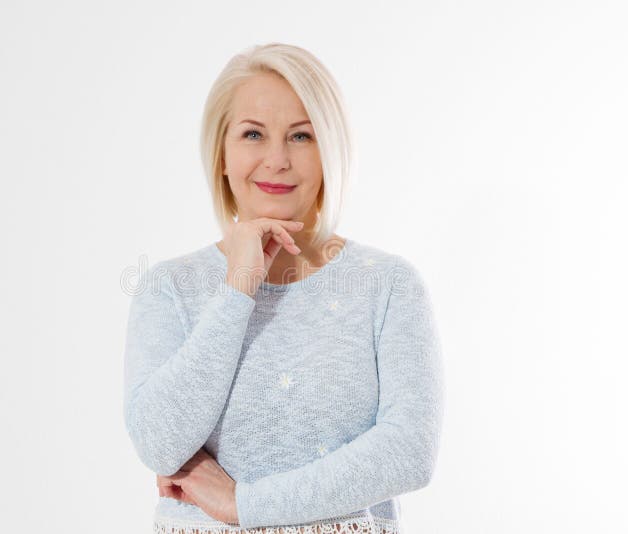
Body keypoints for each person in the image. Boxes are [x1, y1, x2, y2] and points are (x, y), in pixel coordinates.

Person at [123, 42, 445, 533]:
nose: (276, 160)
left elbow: (408, 453)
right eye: (253, 134)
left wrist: (246, 504)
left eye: (301, 136)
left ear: (329, 151)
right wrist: (238, 287)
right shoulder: (168, 288)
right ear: (222, 154)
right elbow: (159, 444)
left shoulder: (387, 286)